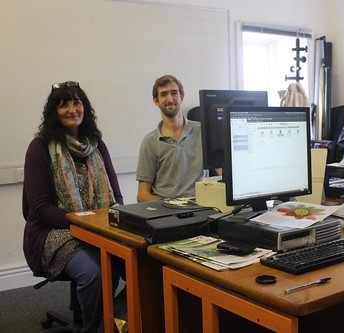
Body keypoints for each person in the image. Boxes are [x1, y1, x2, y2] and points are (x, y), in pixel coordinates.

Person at [23, 81, 124, 333]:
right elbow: (40, 208)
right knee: (97, 274)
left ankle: (116, 322)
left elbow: (116, 196)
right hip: (54, 234)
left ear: (85, 108)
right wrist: (85, 224)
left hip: (98, 228)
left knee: (141, 264)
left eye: (77, 102)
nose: (71, 109)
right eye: (63, 104)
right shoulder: (41, 147)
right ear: (53, 112)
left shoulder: (97, 145)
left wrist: (112, 222)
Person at [136, 74, 207, 202]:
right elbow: (142, 195)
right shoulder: (150, 142)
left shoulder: (203, 132)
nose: (170, 99)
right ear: (156, 101)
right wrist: (168, 206)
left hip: (201, 206)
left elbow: (224, 175)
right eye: (163, 94)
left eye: (174, 93)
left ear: (182, 97)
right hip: (166, 209)